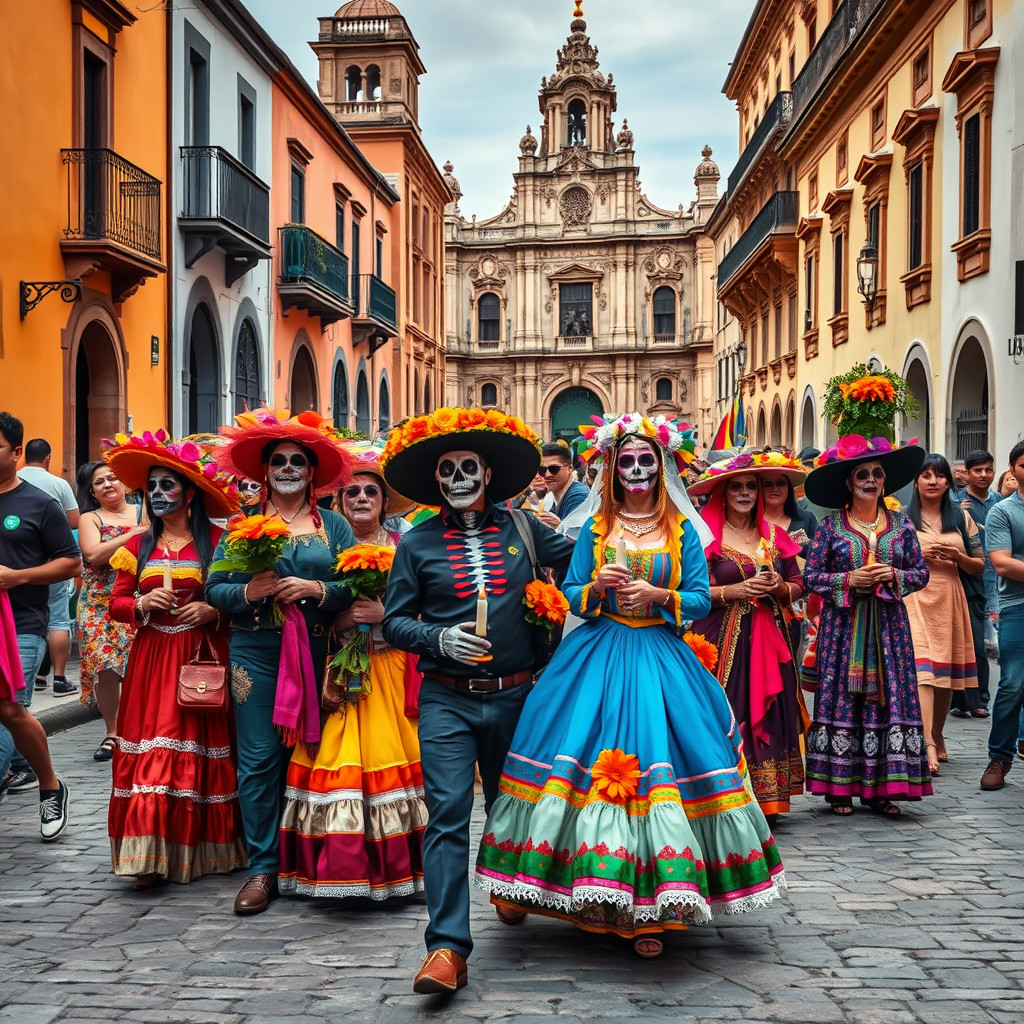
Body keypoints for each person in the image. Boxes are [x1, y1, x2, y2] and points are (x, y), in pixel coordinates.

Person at [475, 414, 785, 961]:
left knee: (663, 768)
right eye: (627, 461)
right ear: (612, 468)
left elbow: (698, 597)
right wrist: (596, 586)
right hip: (596, 655)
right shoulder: (594, 528)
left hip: (659, 660)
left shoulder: (682, 529)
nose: (637, 470)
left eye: (647, 460)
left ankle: (656, 907)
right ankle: (558, 884)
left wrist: (659, 596)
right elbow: (570, 592)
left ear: (661, 466)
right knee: (568, 759)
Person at [381, 407, 575, 994]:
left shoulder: (526, 530)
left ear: (488, 474)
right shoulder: (416, 544)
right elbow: (394, 623)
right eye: (447, 470)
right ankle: (446, 949)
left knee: (509, 806)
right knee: (445, 819)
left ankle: (510, 885)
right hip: (446, 698)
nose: (458, 477)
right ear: (436, 481)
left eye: (468, 467)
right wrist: (436, 637)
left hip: (518, 698)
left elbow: (586, 560)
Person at [209, 409, 356, 915]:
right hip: (255, 652)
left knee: (315, 757)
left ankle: (312, 860)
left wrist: (318, 588)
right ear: (264, 470)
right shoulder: (243, 527)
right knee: (257, 761)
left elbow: (358, 583)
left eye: (298, 461)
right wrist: (249, 590)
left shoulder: (333, 525)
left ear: (312, 472)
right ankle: (263, 867)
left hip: (318, 651)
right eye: (279, 461)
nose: (288, 468)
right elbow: (215, 588)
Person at [279, 444, 426, 899]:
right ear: (339, 504)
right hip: (341, 671)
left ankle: (409, 869)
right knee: (335, 760)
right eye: (351, 493)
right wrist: (339, 615)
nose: (361, 499)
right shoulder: (329, 551)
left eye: (370, 493)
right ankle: (338, 865)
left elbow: (428, 605)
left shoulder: (406, 547)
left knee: (395, 758)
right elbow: (313, 604)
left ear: (383, 502)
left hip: (391, 668)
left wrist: (385, 614)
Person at [104, 432, 248, 887]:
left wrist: (214, 608)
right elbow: (117, 604)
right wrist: (143, 605)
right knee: (154, 747)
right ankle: (147, 854)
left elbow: (238, 600)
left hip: (203, 656)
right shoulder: (139, 546)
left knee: (201, 747)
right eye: (152, 488)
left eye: (168, 486)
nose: (159, 495)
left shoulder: (220, 542)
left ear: (189, 493)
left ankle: (204, 850)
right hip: (152, 660)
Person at [803, 434, 930, 816]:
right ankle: (839, 788)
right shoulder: (830, 528)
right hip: (842, 628)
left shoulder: (902, 527)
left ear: (884, 482)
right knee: (842, 699)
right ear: (849, 482)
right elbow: (811, 576)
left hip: (890, 630)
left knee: (888, 699)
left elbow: (920, 573)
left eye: (877, 474)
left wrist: (894, 574)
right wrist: (847, 581)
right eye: (863, 474)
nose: (871, 480)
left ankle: (881, 788)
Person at [688, 450, 807, 822]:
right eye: (736, 486)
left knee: (769, 711)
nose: (744, 493)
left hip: (770, 640)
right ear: (722, 493)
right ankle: (724, 793)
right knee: (725, 709)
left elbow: (800, 584)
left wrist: (780, 586)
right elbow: (686, 591)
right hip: (717, 642)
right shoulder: (704, 535)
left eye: (750, 487)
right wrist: (733, 592)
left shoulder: (774, 534)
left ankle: (769, 798)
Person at [0, 412, 78, 838]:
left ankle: (50, 786)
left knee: (9, 708)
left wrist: (16, 577)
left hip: (21, 622)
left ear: (16, 452)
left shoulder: (38, 503)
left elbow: (70, 562)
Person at [903, 455, 983, 775]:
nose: (933, 481)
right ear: (916, 482)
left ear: (949, 481)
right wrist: (917, 555)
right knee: (923, 669)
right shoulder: (903, 520)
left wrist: (958, 555)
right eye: (926, 475)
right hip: (915, 597)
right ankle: (927, 743)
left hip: (950, 596)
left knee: (945, 676)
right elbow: (890, 560)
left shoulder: (962, 518)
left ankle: (937, 731)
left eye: (939, 476)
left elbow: (979, 565)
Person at [76, 461, 146, 760]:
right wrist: (135, 534)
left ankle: (138, 727)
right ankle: (112, 733)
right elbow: (94, 554)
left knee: (136, 665)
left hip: (137, 595)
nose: (107, 485)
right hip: (97, 602)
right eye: (99, 482)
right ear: (92, 492)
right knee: (105, 666)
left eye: (113, 478)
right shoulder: (90, 518)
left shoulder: (145, 510)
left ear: (126, 484)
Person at [18, 438, 80, 697]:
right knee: (57, 619)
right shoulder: (58, 483)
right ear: (48, 459)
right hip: (50, 562)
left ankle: (39, 675)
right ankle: (58, 677)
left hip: (16, 565)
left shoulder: (14, 479)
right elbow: (74, 521)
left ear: (20, 456)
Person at [979, 441, 1024, 791]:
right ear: (1013, 470)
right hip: (1018, 607)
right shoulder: (1004, 511)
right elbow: (1001, 562)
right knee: (1012, 682)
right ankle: (1000, 756)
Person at [952, 449, 1000, 716]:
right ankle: (964, 700)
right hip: (965, 578)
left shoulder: (1001, 502)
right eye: (978, 470)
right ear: (967, 473)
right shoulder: (956, 502)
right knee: (969, 641)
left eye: (988, 470)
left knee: (985, 642)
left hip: (998, 579)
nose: (983, 475)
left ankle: (979, 699)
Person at [534, 440, 589, 531]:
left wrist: (559, 526)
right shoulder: (549, 496)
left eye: (554, 469)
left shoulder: (578, 495)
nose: (547, 475)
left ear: (570, 469)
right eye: (542, 469)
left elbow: (576, 537)